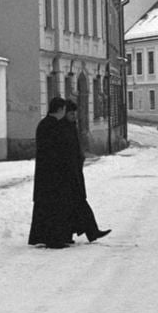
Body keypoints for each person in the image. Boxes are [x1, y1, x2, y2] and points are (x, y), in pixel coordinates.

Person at [28, 97, 79, 248]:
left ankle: (51, 236)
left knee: (48, 207)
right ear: (60, 110)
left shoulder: (44, 124)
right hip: (53, 173)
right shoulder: (53, 126)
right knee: (54, 207)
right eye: (64, 110)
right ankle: (54, 239)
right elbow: (57, 149)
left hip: (47, 172)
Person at [62, 100, 110, 243]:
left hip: (75, 172)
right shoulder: (64, 128)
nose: (74, 116)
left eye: (75, 113)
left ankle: (91, 232)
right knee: (78, 204)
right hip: (69, 174)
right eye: (71, 113)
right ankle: (90, 232)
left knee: (78, 204)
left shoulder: (71, 126)